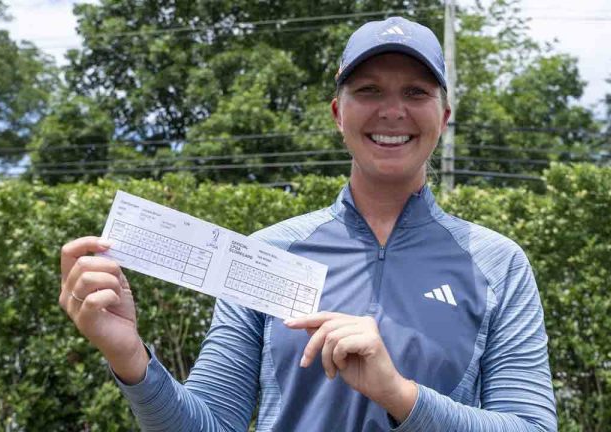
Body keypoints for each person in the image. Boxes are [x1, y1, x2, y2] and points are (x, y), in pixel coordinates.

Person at [59, 16, 557, 431]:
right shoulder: (269, 252)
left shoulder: (499, 263)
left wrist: (400, 395)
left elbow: (532, 426)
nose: (391, 110)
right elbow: (211, 424)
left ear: (443, 117)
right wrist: (131, 360)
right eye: (368, 90)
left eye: (415, 91)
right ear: (339, 113)